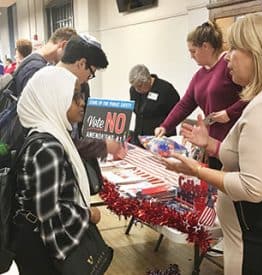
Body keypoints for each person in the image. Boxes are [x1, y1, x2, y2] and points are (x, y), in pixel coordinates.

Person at [162, 12, 262, 275]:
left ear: (257, 54)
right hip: (253, 234)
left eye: (235, 49)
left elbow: (253, 187)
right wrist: (210, 144)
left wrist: (196, 169)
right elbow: (246, 155)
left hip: (260, 239)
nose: (228, 59)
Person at [12, 34, 112, 275]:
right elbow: (47, 212)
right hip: (48, 255)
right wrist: (88, 215)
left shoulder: (51, 136)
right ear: (54, 100)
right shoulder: (47, 148)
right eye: (74, 97)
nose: (82, 103)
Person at [155, 21, 247, 170]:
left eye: (193, 51)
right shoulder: (199, 75)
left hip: (233, 142)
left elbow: (252, 94)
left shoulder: (228, 66)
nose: (191, 56)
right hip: (211, 143)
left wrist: (230, 113)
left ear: (205, 46)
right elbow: (185, 104)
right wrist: (165, 126)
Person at [14, 27, 77, 97]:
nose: (68, 60)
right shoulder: (36, 68)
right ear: (63, 45)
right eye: (70, 53)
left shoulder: (32, 61)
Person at [129, 64, 180, 147]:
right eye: (134, 86)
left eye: (139, 86)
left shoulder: (166, 89)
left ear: (148, 80)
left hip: (160, 140)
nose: (137, 89)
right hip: (139, 139)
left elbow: (177, 112)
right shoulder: (133, 90)